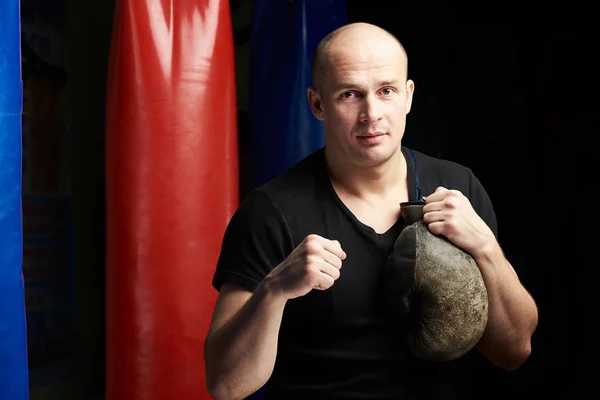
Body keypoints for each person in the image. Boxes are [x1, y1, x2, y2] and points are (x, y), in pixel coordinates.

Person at [204, 22, 538, 400]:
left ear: (408, 96)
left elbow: (514, 351)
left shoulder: (458, 186)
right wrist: (274, 289)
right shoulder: (272, 212)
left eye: (386, 91)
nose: (371, 113)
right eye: (349, 94)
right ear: (317, 104)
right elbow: (226, 386)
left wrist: (485, 248)